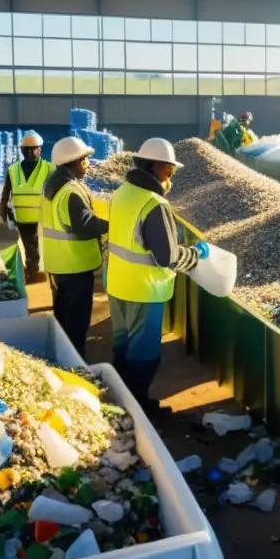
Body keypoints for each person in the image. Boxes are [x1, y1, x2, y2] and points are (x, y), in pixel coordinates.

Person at [106, 138, 205, 410]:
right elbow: (167, 257)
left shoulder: (122, 193)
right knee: (144, 355)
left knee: (122, 346)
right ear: (155, 165)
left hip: (117, 285)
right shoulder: (154, 204)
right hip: (144, 290)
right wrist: (196, 254)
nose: (171, 173)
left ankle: (118, 399)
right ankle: (136, 408)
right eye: (169, 168)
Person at [41, 137, 108, 357]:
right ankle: (77, 363)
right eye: (85, 160)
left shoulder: (52, 184)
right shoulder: (70, 192)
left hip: (59, 263)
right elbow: (86, 226)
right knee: (77, 322)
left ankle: (63, 356)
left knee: (63, 315)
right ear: (74, 162)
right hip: (75, 266)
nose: (88, 164)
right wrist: (112, 224)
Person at [0, 131, 52, 282]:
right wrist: (3, 207)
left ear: (40, 149)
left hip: (43, 218)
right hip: (22, 217)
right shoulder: (13, 169)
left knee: (40, 247)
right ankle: (32, 271)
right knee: (29, 246)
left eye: (33, 148)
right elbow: (6, 190)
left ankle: (38, 271)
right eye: (26, 149)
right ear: (21, 150)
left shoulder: (49, 168)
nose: (29, 152)